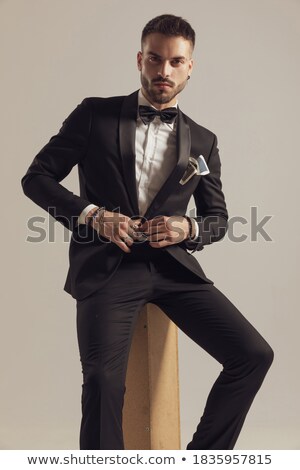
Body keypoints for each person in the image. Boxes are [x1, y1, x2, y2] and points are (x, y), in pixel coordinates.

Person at [21, 14, 273, 450]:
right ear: (140, 59)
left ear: (190, 66)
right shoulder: (93, 115)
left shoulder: (202, 140)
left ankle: (203, 459)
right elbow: (36, 178)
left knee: (253, 355)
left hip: (173, 270)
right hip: (108, 268)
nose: (164, 71)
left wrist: (186, 226)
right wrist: (92, 214)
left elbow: (217, 218)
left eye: (176, 62)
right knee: (102, 380)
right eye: (155, 59)